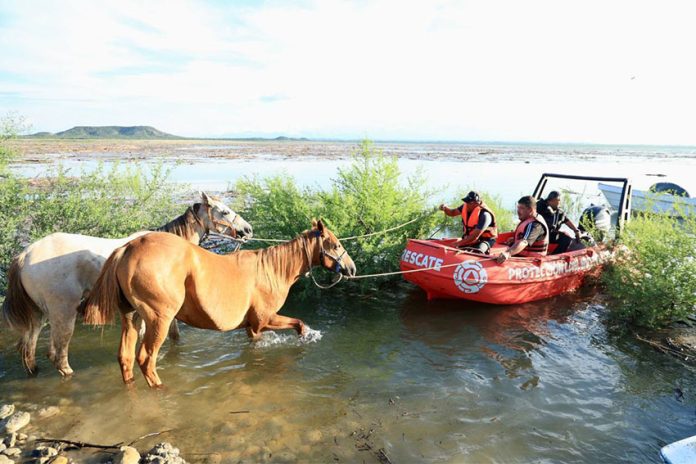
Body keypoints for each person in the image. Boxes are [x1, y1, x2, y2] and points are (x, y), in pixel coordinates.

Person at [497, 195, 548, 263]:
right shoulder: (528, 220)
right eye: (518, 208)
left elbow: (524, 242)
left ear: (530, 210)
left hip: (532, 262)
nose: (518, 211)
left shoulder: (536, 225)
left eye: (521, 208)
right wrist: (515, 239)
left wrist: (508, 253)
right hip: (521, 257)